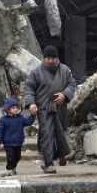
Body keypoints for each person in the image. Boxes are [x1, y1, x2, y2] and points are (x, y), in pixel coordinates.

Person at [23, 45, 76, 174]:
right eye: (48, 58)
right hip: (44, 109)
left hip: (60, 108)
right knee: (46, 134)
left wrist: (64, 95)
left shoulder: (65, 71)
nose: (50, 61)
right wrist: (31, 104)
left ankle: (60, 154)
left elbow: (72, 84)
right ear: (44, 59)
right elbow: (29, 88)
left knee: (59, 133)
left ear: (57, 58)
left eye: (53, 58)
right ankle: (49, 164)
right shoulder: (36, 72)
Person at [0, 97, 36, 176]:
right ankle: (9, 169)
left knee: (18, 157)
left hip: (18, 142)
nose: (15, 109)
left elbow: (28, 122)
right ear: (7, 110)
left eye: (16, 107)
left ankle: (13, 167)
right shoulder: (4, 120)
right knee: (10, 157)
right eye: (13, 108)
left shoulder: (20, 118)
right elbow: (0, 130)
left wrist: (33, 115)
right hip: (8, 142)